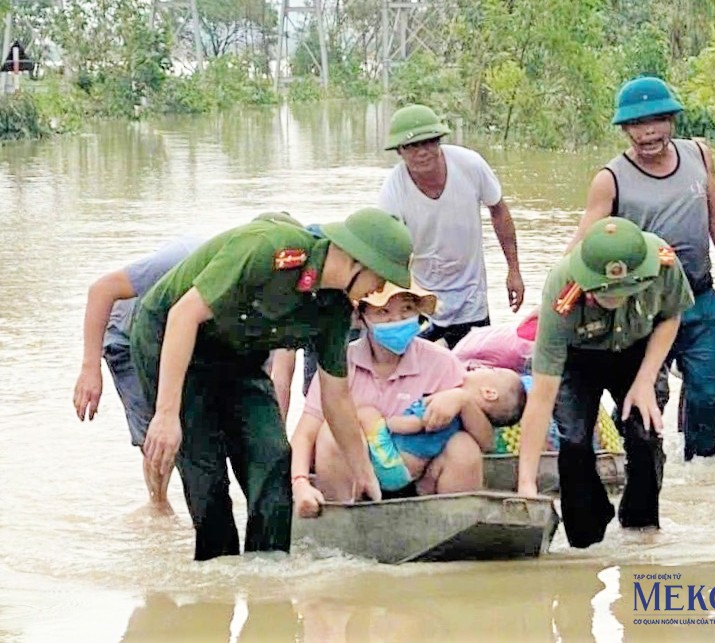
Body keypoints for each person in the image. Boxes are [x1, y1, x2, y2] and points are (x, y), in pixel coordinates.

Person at [130, 208, 413, 561]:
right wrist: (167, 413)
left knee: (274, 457)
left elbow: (336, 397)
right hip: (171, 341)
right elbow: (182, 315)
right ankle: (217, 573)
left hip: (237, 353)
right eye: (381, 278)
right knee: (207, 471)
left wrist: (363, 472)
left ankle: (268, 575)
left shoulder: (334, 311)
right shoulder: (269, 249)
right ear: (358, 262)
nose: (380, 290)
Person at [568, 75, 715, 461]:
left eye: (657, 121)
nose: (648, 132)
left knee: (706, 389)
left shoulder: (699, 154)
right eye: (636, 124)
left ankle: (701, 468)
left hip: (699, 296)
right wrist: (561, 294)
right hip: (641, 306)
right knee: (642, 390)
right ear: (624, 130)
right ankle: (637, 462)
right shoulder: (610, 178)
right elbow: (584, 242)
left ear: (672, 121)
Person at [517, 217, 694, 548]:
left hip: (640, 350)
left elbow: (671, 315)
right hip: (578, 357)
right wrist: (526, 482)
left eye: (622, 292)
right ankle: (585, 538)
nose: (611, 298)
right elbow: (542, 396)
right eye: (601, 292)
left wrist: (645, 380)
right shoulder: (561, 288)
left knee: (646, 432)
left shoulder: (663, 262)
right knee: (574, 441)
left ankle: (640, 531)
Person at [289, 281, 489, 517]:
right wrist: (300, 483)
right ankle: (345, 520)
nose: (396, 320)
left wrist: (462, 400)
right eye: (383, 312)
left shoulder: (441, 362)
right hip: (355, 478)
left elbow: (485, 441)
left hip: (423, 479)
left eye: (406, 309)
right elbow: (306, 432)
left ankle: (451, 524)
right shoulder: (341, 363)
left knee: (464, 446)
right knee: (332, 433)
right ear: (363, 316)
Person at [73, 236, 202, 514]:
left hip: (176, 336)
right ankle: (158, 506)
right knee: (156, 432)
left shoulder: (253, 289)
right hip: (126, 338)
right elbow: (101, 290)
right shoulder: (181, 259)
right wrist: (90, 369)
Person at [378, 103, 525, 348]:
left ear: (439, 142)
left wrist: (514, 270)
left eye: (428, 143)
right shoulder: (393, 191)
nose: (422, 152)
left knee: (473, 368)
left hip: (471, 295)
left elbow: (498, 210)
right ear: (399, 152)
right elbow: (387, 249)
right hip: (421, 296)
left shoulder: (470, 165)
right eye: (411, 146)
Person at [359, 366, 526, 492]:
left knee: (367, 414)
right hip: (403, 471)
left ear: (489, 392)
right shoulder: (460, 416)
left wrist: (389, 423)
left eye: (492, 370)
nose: (481, 367)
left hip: (393, 463)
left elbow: (419, 423)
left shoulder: (447, 407)